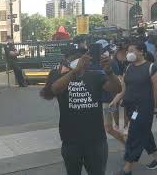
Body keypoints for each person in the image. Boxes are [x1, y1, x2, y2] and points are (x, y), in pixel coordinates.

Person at [40, 45, 121, 175]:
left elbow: (117, 89)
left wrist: (109, 72)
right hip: (71, 140)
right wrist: (74, 72)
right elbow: (53, 90)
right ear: (67, 58)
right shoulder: (57, 73)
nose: (80, 60)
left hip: (96, 140)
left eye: (83, 56)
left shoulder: (96, 75)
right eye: (76, 57)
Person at [111, 40, 157, 175]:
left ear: (141, 51)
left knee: (134, 136)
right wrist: (116, 99)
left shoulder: (151, 67)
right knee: (145, 134)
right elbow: (124, 89)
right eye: (128, 51)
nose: (128, 53)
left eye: (132, 50)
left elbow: (156, 91)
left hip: (144, 108)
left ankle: (127, 168)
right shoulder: (128, 67)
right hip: (130, 108)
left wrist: (154, 108)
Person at [96, 40, 126, 145]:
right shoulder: (95, 63)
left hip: (109, 100)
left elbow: (118, 82)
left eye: (103, 50)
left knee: (109, 127)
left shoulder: (111, 63)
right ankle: (126, 142)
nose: (103, 52)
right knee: (108, 127)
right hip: (102, 100)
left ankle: (126, 142)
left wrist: (115, 100)